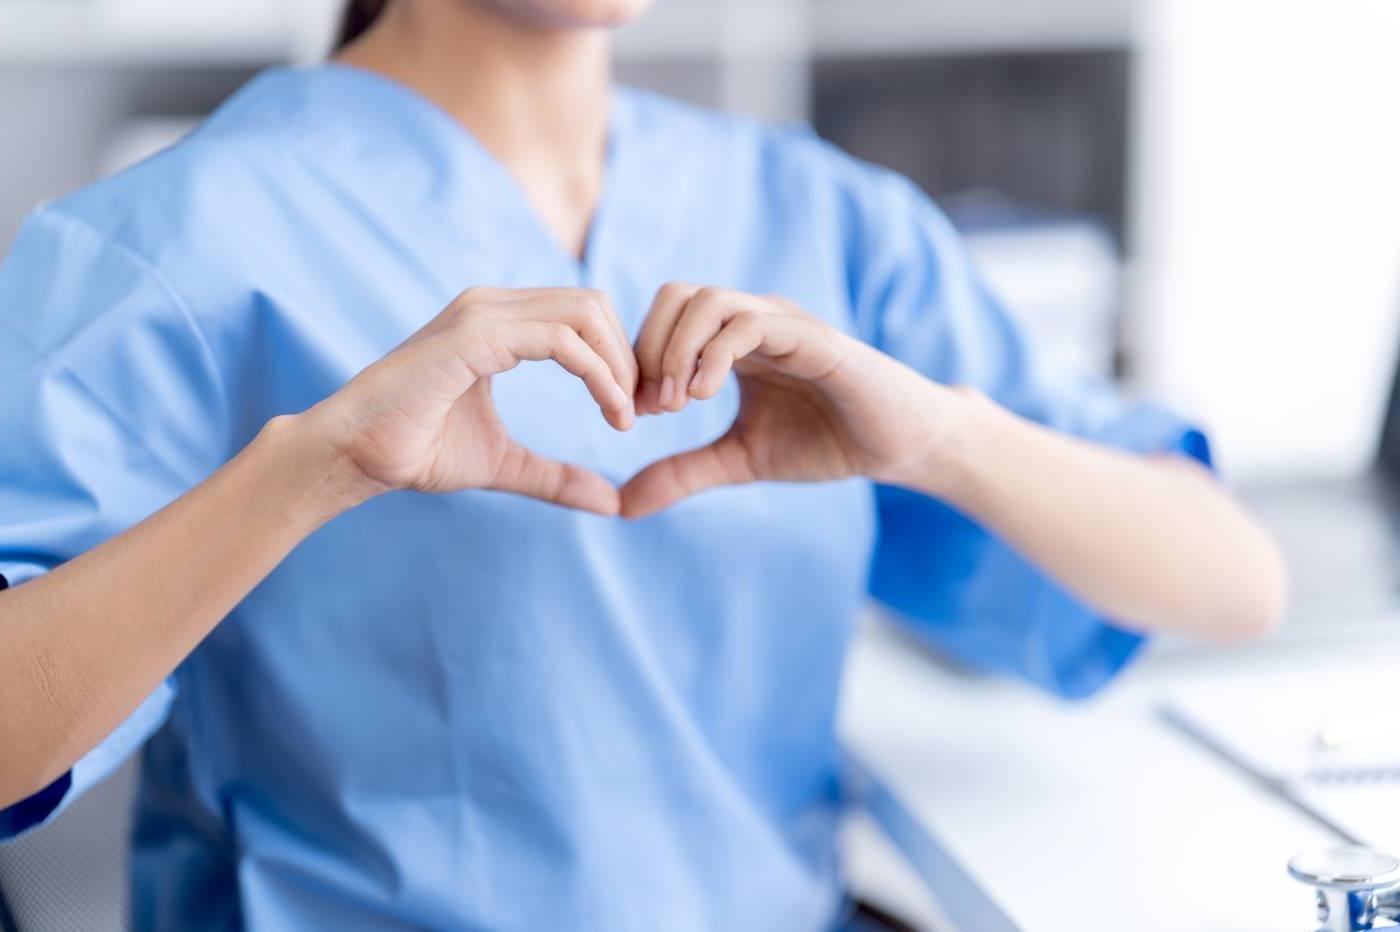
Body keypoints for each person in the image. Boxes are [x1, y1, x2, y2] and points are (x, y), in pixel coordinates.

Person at [0, 0, 1286, 928]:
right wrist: (313, 468)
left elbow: (1230, 580)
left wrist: (946, 438)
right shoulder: (175, 242)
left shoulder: (813, 215)